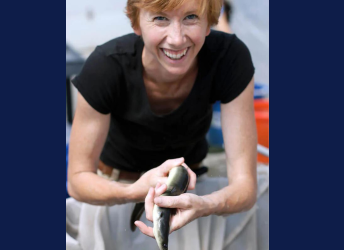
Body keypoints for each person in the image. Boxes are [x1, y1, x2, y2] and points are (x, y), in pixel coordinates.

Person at [66, 0, 258, 249]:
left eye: (191, 17)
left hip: (191, 193)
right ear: (136, 23)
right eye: (160, 18)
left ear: (209, 21)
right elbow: (78, 180)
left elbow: (245, 186)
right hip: (114, 192)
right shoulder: (106, 66)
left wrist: (207, 205)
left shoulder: (230, 58)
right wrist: (133, 191)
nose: (177, 39)